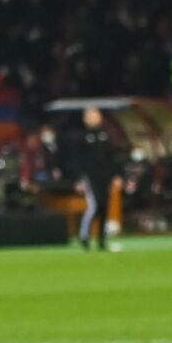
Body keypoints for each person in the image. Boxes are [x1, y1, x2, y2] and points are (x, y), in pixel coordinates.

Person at [70, 105, 121, 251]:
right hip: (90, 176)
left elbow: (112, 157)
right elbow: (77, 159)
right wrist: (78, 179)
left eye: (96, 115)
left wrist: (116, 175)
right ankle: (84, 235)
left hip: (105, 176)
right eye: (90, 116)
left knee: (104, 206)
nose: (93, 118)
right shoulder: (81, 136)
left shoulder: (105, 135)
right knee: (95, 205)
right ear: (85, 119)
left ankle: (101, 240)